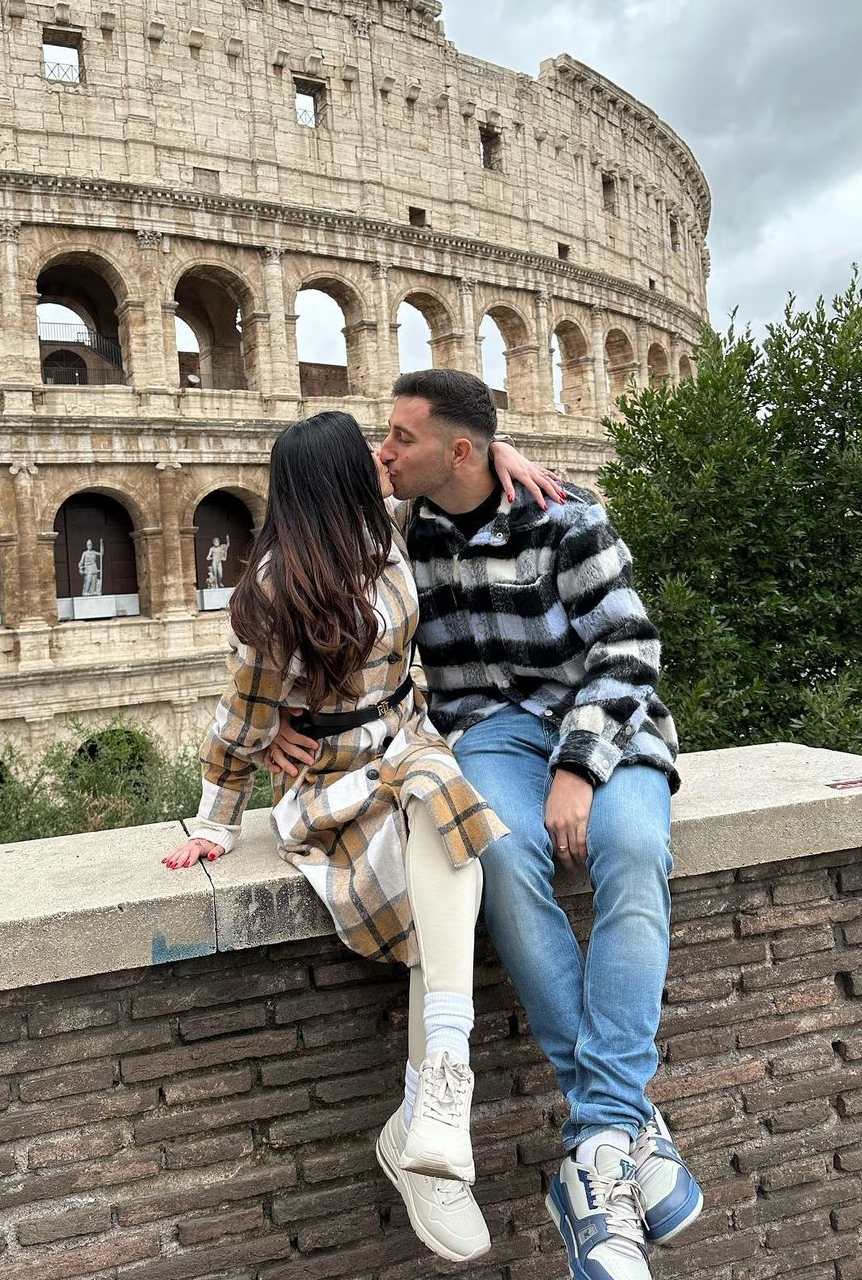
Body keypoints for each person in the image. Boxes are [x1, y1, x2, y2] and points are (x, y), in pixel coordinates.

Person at [268, 370, 703, 1280]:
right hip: (491, 733)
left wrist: (578, 766)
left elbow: (630, 648)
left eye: (400, 437)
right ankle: (625, 1133)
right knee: (496, 857)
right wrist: (275, 717)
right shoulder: (400, 528)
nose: (382, 452)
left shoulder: (566, 518)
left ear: (457, 451)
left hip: (603, 719)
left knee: (631, 851)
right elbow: (301, 587)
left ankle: (596, 1136)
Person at [164, 410, 556, 1264]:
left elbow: (455, 471)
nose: (386, 460)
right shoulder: (274, 588)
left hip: (409, 743)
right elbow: (242, 714)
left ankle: (433, 1103)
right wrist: (216, 818)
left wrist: (494, 449)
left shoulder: (390, 534)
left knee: (437, 794)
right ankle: (429, 1115)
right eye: (368, 454)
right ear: (341, 476)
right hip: (331, 784)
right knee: (438, 845)